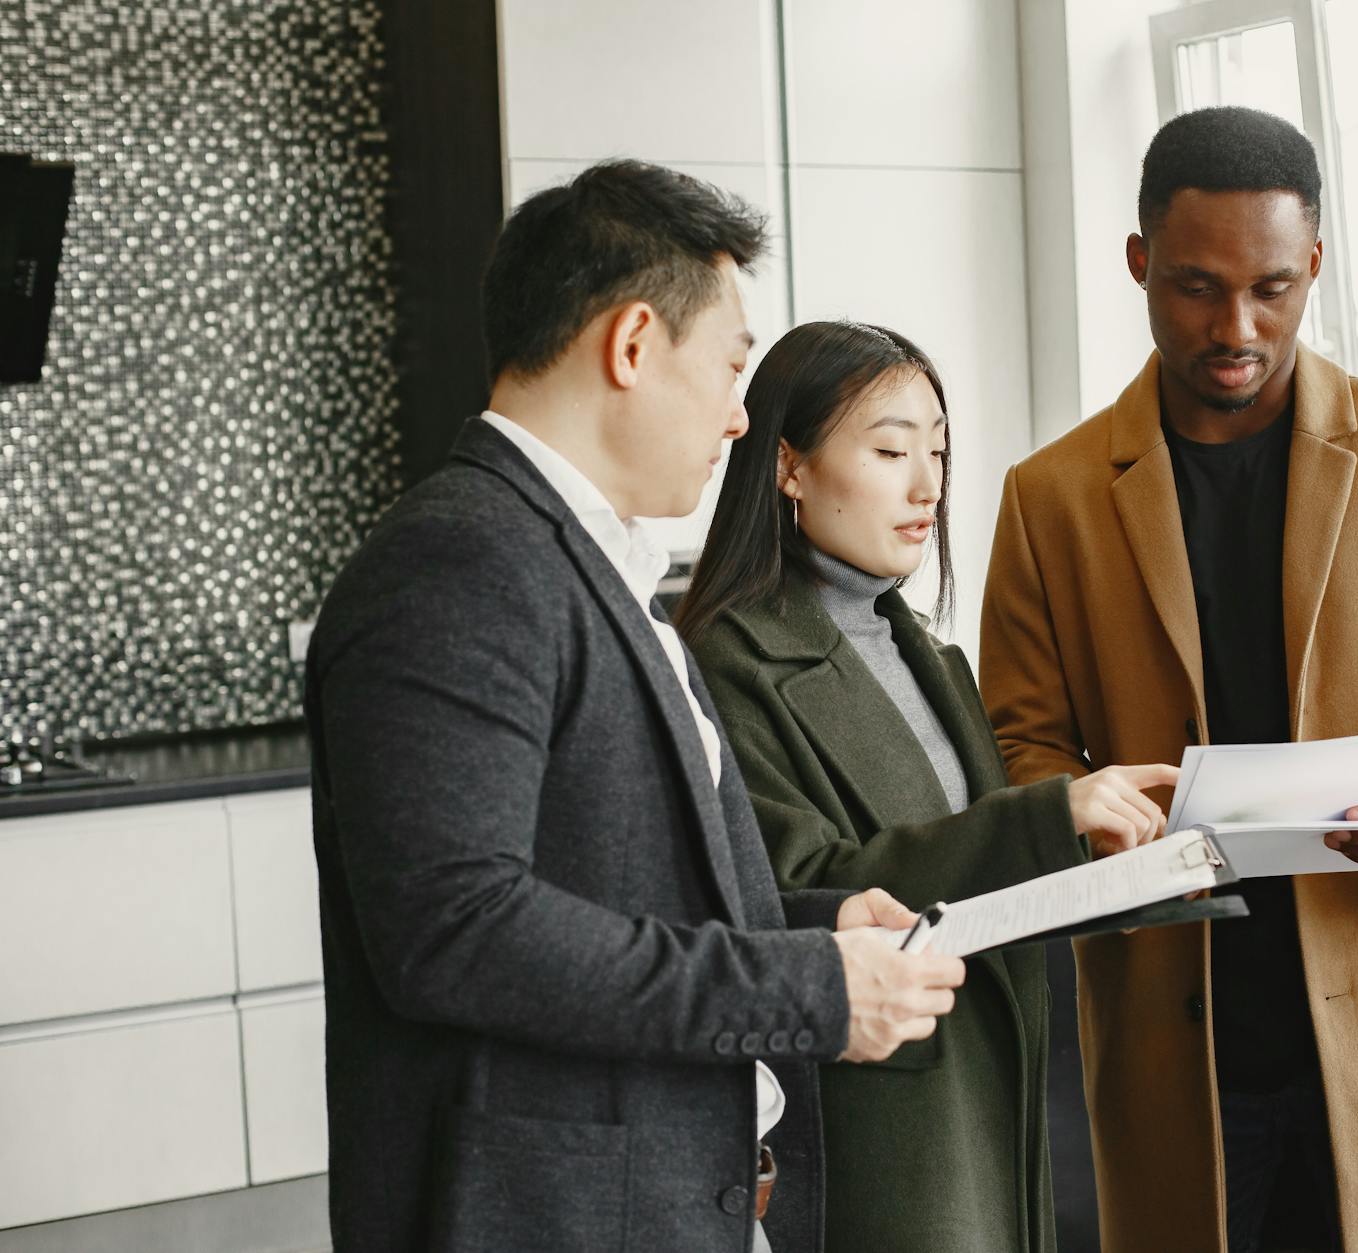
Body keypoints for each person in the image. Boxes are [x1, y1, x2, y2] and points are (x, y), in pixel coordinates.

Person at [305, 161, 965, 1253]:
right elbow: (455, 930)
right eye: (729, 367)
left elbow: (619, 883)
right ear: (631, 344)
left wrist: (812, 923)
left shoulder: (586, 562)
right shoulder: (459, 559)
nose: (742, 416)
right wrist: (802, 985)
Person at [978, 107, 1358, 1253]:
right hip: (1177, 1039)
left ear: (1313, 263)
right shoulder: (1046, 496)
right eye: (1196, 287)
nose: (1236, 326)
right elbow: (1021, 741)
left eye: (1270, 285)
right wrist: (1097, 820)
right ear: (1137, 263)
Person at [677, 319, 1179, 1253]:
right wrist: (1048, 812)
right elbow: (802, 885)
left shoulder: (931, 656)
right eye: (890, 449)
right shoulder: (728, 659)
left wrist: (1139, 868)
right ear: (788, 466)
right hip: (884, 1115)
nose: (928, 485)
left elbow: (981, 869)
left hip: (999, 1091)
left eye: (938, 451)